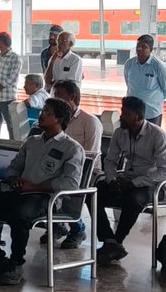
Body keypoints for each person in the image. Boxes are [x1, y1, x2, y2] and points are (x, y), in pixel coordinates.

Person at [0, 99, 84, 284]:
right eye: (43, 110)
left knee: (20, 214)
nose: (41, 114)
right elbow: (14, 167)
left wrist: (34, 187)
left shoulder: (71, 148)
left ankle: (16, 263)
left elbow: (70, 183)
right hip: (20, 190)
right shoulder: (32, 142)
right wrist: (13, 179)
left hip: (45, 197)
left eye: (47, 112)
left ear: (58, 119)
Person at [96, 96, 166, 264]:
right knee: (94, 193)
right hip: (126, 179)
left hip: (151, 184)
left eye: (126, 113)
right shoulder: (120, 132)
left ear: (138, 117)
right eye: (122, 112)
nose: (121, 116)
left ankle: (117, 241)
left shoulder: (157, 135)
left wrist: (133, 183)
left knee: (133, 199)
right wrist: (112, 179)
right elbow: (110, 160)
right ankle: (109, 240)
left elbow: (164, 171)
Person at [50, 79, 102, 249]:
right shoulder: (56, 120)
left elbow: (89, 156)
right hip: (59, 168)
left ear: (72, 97)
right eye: (54, 95)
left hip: (87, 171)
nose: (55, 99)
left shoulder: (90, 121)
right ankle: (58, 224)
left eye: (60, 95)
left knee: (67, 185)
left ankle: (77, 228)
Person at [123, 35, 166, 126]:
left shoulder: (159, 66)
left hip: (151, 114)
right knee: (130, 139)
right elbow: (128, 84)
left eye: (144, 47)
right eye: (138, 46)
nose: (139, 49)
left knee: (151, 139)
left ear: (151, 49)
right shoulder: (129, 64)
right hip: (132, 113)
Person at [0, 32, 22, 139]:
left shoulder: (15, 58)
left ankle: (12, 147)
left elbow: (13, 77)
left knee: (11, 125)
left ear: (2, 42)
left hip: (8, 97)